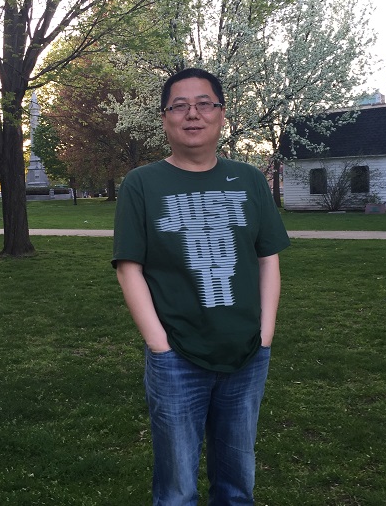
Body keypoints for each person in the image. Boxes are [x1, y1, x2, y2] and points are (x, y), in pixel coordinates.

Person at [112, 68, 290, 505]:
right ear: (164, 118)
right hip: (177, 357)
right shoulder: (142, 184)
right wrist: (159, 345)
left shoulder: (249, 179)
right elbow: (129, 268)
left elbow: (267, 257)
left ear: (221, 114)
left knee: (236, 486)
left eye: (204, 103)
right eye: (179, 106)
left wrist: (265, 334)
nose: (193, 114)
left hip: (247, 354)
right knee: (176, 491)